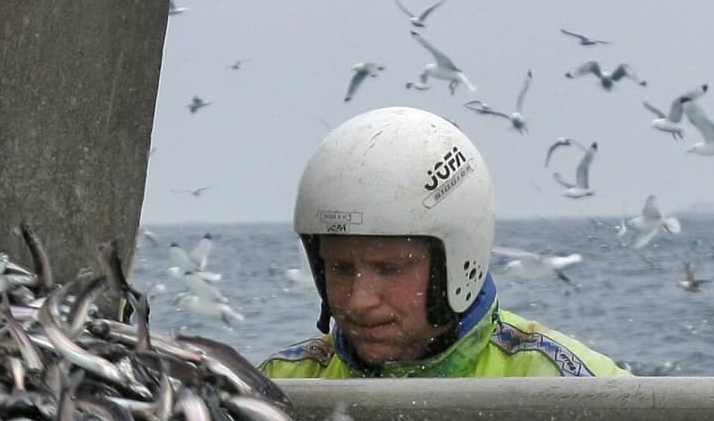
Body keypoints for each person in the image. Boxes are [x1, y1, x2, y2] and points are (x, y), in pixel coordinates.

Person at [262, 107, 628, 380]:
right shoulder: (274, 389)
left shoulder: (573, 388)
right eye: (340, 268)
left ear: (456, 264)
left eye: (389, 269)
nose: (359, 300)